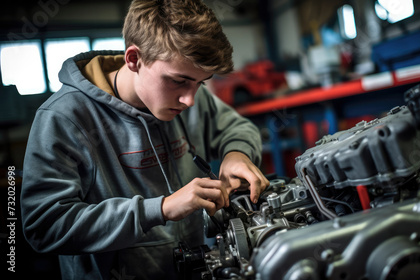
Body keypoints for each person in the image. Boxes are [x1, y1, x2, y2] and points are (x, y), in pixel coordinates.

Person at [20, 0, 269, 279]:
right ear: (134, 59)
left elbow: (236, 128)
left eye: (201, 83)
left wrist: (238, 153)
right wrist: (159, 209)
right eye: (178, 80)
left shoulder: (189, 96)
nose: (190, 100)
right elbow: (44, 226)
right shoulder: (65, 118)